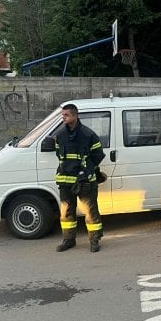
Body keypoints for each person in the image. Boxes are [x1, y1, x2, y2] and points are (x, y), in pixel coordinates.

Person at [53, 104, 105, 253]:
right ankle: (68, 240)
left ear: (76, 116)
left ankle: (95, 240)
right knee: (66, 212)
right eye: (62, 115)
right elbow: (59, 155)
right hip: (65, 180)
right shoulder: (60, 135)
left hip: (85, 181)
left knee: (90, 211)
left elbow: (98, 155)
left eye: (66, 115)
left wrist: (86, 170)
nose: (63, 118)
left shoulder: (88, 135)